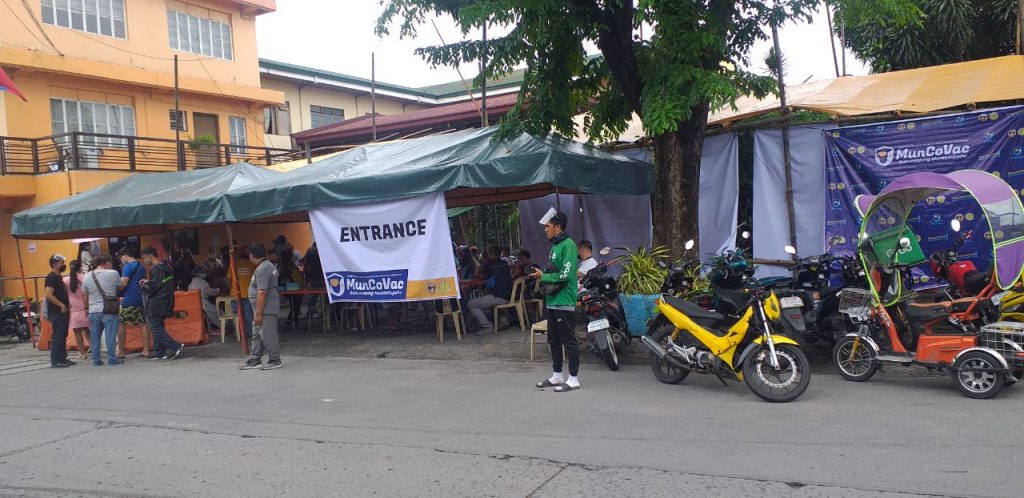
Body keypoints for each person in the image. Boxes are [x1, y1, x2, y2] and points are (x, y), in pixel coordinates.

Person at [531, 212, 580, 392]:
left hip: (564, 300)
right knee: (553, 339)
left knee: (568, 339)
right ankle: (557, 375)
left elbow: (565, 275)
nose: (545, 230)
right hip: (552, 300)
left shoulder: (569, 245)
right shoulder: (555, 246)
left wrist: (543, 276)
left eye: (547, 226)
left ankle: (573, 378)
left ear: (558, 227)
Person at [240, 243, 282, 370]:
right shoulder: (265, 266)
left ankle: (275, 359)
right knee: (257, 334)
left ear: (252, 256)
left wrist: (258, 313)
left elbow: (262, 292)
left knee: (268, 335)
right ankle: (255, 359)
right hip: (261, 309)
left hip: (265, 309)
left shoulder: (263, 269)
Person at [139, 247, 184, 360]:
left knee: (155, 327)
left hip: (157, 302)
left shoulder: (156, 269)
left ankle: (174, 346)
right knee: (158, 325)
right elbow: (160, 284)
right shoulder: (165, 268)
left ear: (150, 256)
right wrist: (149, 282)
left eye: (144, 258)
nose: (144, 261)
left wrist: (144, 286)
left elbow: (153, 288)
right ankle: (159, 351)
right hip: (165, 300)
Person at [81, 254, 124, 366]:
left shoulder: (87, 276)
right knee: (110, 335)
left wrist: (86, 308)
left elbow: (84, 294)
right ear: (107, 263)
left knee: (95, 336)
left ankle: (96, 360)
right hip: (109, 309)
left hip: (93, 310)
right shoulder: (113, 273)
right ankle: (112, 358)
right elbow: (120, 286)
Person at [466, 246, 514, 335]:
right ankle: (503, 320)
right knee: (487, 299)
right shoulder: (504, 263)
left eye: (488, 253)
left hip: (498, 296)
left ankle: (487, 326)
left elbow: (478, 275)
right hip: (509, 295)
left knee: (471, 304)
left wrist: (483, 263)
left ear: (491, 254)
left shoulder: (489, 265)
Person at [117, 247, 150, 359]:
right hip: (141, 298)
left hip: (129, 298)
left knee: (121, 323)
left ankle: (121, 351)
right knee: (143, 324)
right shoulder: (141, 266)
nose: (121, 260)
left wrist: (115, 284)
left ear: (125, 255)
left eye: (121, 257)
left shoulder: (128, 266)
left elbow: (123, 284)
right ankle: (146, 350)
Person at [44, 254, 74, 368]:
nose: (63, 265)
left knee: (62, 335)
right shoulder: (51, 278)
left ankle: (62, 358)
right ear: (54, 264)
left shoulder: (58, 277)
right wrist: (61, 305)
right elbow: (48, 294)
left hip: (63, 311)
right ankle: (56, 360)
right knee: (58, 335)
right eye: (61, 263)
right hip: (56, 311)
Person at [228, 244, 256, 338]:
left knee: (236, 315)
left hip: (235, 294)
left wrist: (230, 290)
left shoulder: (232, 264)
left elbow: (229, 279)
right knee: (248, 315)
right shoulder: (252, 264)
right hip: (247, 293)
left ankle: (239, 334)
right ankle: (250, 333)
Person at [64, 260, 90, 360]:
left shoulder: (66, 280)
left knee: (77, 333)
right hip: (86, 307)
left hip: (73, 308)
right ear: (80, 267)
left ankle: (83, 353)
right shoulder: (85, 278)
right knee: (87, 331)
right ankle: (96, 350)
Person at [188, 268, 221, 332]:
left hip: (192, 303)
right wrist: (217, 290)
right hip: (202, 302)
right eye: (203, 272)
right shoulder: (202, 282)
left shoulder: (192, 282)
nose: (205, 274)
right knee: (216, 311)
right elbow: (211, 292)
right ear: (198, 274)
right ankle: (222, 325)